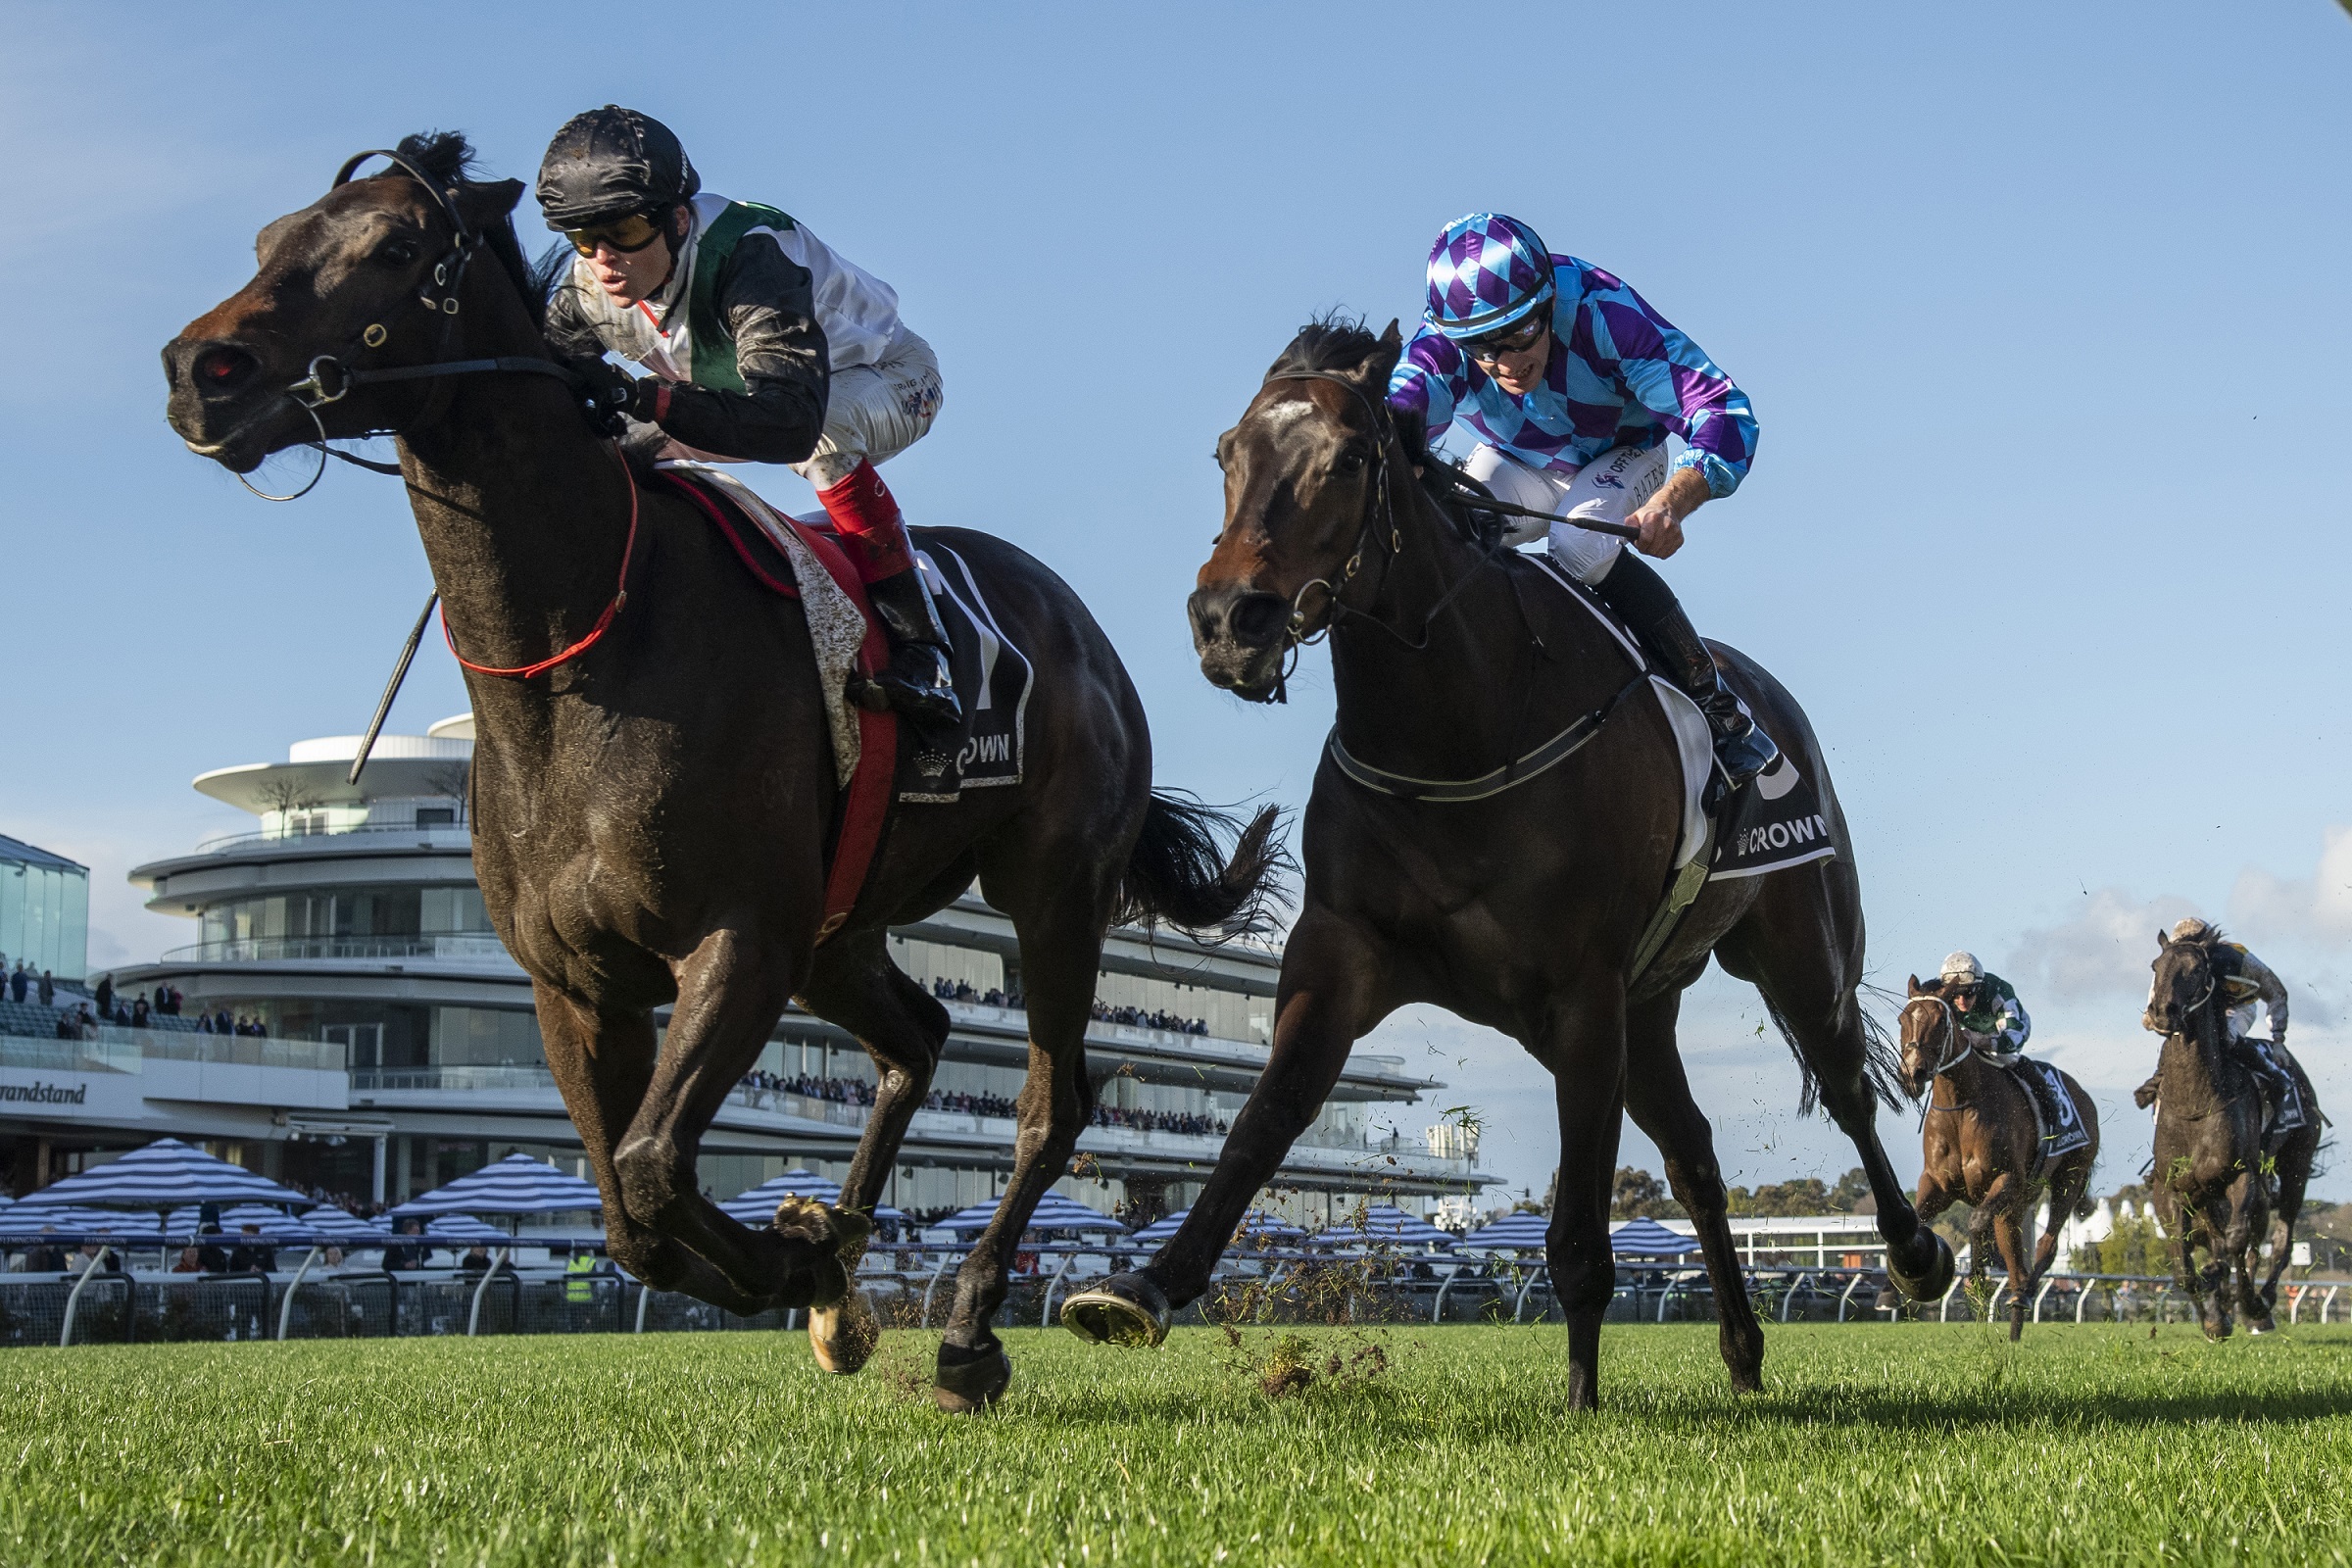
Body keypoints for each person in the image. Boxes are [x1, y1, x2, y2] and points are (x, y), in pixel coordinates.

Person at [536, 105, 959, 729]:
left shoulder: (751, 258)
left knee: (818, 439)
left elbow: (785, 421)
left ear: (678, 218)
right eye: (581, 237)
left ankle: (923, 649)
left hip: (885, 379)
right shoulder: (587, 291)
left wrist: (641, 396)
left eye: (624, 231)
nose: (603, 260)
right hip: (744, 396)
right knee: (605, 450)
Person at [1387, 213, 1776, 790]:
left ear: (1548, 305)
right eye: (1483, 350)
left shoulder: (1603, 312)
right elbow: (1388, 433)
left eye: (1521, 335)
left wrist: (1672, 501)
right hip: (1519, 463)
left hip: (1622, 456)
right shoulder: (1437, 352)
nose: (1508, 365)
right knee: (1452, 531)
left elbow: (1725, 412)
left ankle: (1719, 709)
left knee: (1578, 540)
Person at [2135, 917, 2297, 1122]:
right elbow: (2149, 1018)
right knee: (2179, 1040)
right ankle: (2159, 1092)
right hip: (2196, 1010)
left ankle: (2273, 1075)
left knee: (2225, 1037)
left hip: (2237, 1007)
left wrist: (2278, 1041)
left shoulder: (2237, 957)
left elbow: (2276, 992)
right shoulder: (2172, 962)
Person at [1930, 951, 2030, 1063]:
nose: (1961, 1001)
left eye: (1968, 992)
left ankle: (2039, 1078)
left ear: (1978, 987)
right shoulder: (1943, 997)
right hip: (1970, 1032)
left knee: (2007, 1059)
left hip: (2008, 1034)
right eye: (1955, 994)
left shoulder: (1999, 994)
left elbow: (2014, 1039)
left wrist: (1978, 1041)